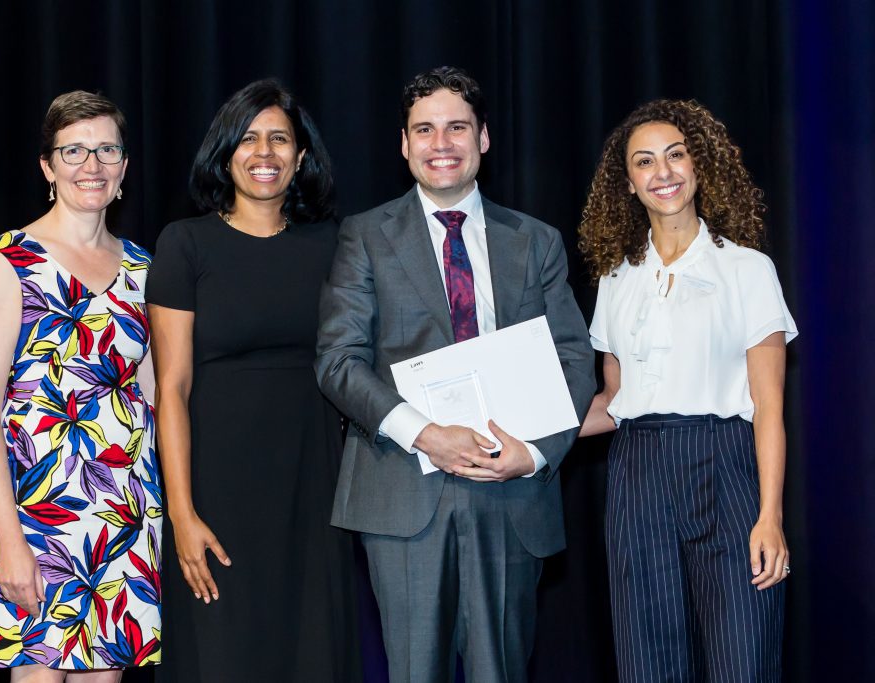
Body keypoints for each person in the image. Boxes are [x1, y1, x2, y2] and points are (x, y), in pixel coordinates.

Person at [315, 66, 596, 682]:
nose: (440, 143)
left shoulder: (536, 240)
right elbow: (338, 360)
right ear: (404, 144)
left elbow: (574, 360)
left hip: (512, 492)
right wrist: (425, 434)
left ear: (483, 138)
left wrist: (533, 455)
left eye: (457, 128)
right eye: (424, 129)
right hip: (403, 491)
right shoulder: (365, 237)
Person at [146, 79, 361, 682]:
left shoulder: (336, 244)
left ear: (301, 155)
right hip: (216, 493)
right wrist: (181, 514)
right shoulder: (186, 244)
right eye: (247, 139)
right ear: (225, 154)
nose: (264, 153)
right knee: (223, 655)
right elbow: (172, 389)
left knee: (312, 653)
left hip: (314, 487)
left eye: (279, 139)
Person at [578, 99, 795, 681]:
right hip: (637, 474)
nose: (663, 172)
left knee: (743, 659)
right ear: (628, 183)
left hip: (726, 467)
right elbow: (613, 402)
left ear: (699, 164)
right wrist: (529, 433)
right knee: (648, 663)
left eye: (675, 155)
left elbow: (769, 407)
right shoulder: (615, 278)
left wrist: (769, 516)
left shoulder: (748, 269)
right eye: (645, 162)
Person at [0, 91, 161, 679]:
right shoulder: (10, 260)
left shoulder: (144, 269)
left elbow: (153, 398)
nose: (91, 165)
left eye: (106, 150)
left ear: (124, 166)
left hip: (125, 512)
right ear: (48, 167)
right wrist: (9, 538)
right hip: (38, 516)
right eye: (74, 151)